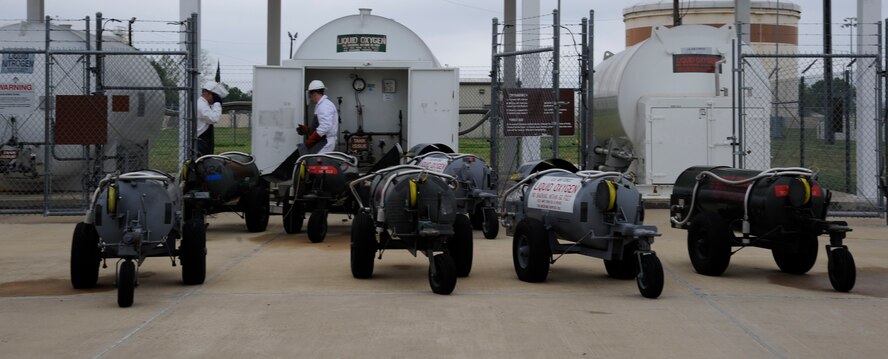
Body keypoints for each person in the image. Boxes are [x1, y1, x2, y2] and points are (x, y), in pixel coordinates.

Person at [298, 80, 338, 153]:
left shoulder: (324, 106)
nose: (310, 97)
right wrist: (308, 129)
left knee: (315, 162)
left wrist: (310, 141)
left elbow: (325, 126)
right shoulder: (320, 105)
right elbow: (320, 125)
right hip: (322, 141)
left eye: (310, 95)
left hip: (325, 142)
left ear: (314, 93)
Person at [196, 81, 227, 156]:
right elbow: (214, 119)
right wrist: (217, 103)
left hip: (203, 140)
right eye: (215, 96)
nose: (215, 99)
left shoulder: (203, 104)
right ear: (208, 94)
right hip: (200, 140)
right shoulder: (201, 105)